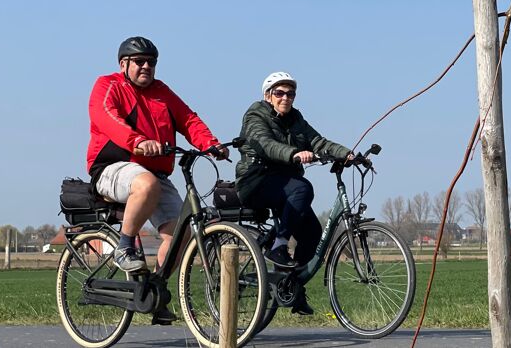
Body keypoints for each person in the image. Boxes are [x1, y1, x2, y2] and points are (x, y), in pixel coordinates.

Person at [86, 36, 228, 324]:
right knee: (145, 184)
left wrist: (210, 144)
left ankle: (153, 289)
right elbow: (105, 116)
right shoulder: (109, 85)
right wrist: (137, 140)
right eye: (139, 61)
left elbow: (188, 119)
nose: (146, 67)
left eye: (151, 62)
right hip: (113, 167)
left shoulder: (162, 92)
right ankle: (125, 246)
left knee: (181, 232)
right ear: (123, 64)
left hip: (155, 173)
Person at [235, 71, 352, 315]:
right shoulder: (255, 115)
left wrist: (347, 153)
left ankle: (292, 287)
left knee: (312, 233)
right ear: (268, 96)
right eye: (280, 93)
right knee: (303, 188)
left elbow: (318, 142)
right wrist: (294, 154)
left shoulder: (296, 119)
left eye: (290, 93)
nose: (285, 97)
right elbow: (265, 143)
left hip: (285, 186)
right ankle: (279, 244)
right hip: (256, 181)